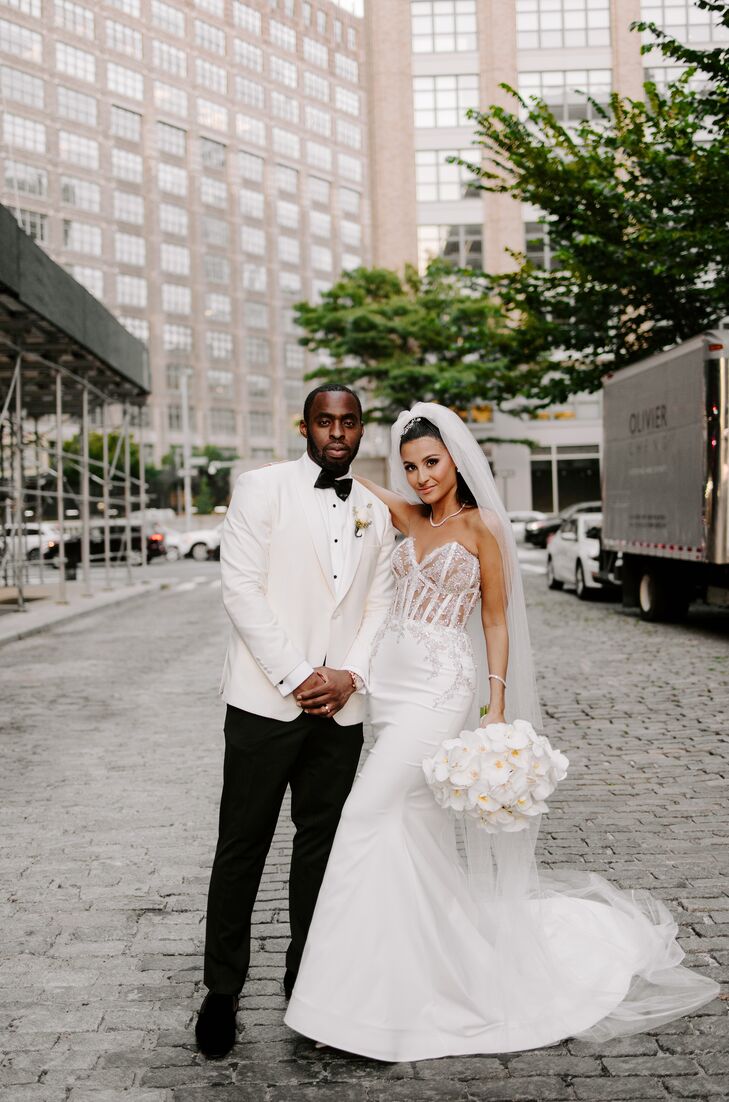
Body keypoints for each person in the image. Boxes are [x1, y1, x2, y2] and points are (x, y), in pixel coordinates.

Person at [284, 402, 719, 1062]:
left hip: (439, 689)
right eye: (410, 466)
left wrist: (493, 703)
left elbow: (493, 620)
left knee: (363, 816)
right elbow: (353, 484)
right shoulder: (409, 517)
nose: (422, 476)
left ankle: (352, 1002)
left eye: (431, 462)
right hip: (391, 692)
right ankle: (410, 982)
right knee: (412, 835)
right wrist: (319, 458)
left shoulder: (481, 525)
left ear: (455, 459)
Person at [195, 384, 395, 1059]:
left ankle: (306, 986)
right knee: (241, 847)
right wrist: (299, 676)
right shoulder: (261, 488)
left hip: (340, 711)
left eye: (348, 422)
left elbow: (378, 606)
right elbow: (241, 589)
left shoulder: (375, 509)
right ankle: (220, 993)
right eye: (324, 420)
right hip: (263, 702)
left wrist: (348, 676)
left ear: (361, 429)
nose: (336, 432)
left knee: (321, 851)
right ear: (304, 425)